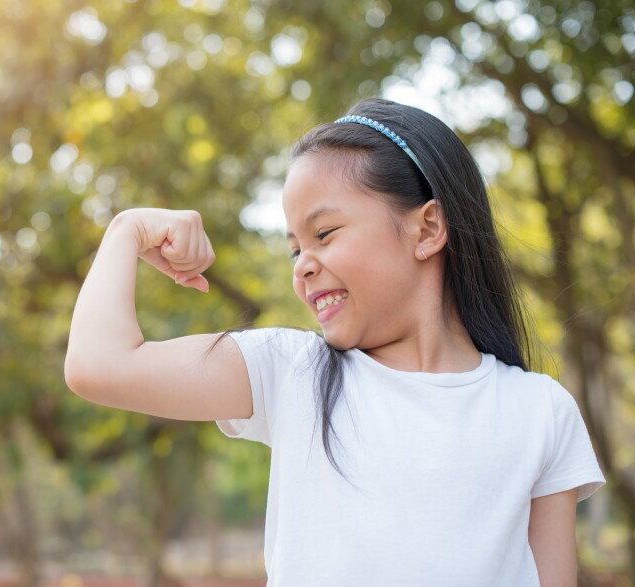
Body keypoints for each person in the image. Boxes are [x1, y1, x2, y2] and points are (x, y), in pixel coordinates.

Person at [64, 98, 606, 586]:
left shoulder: (540, 411)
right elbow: (98, 365)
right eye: (293, 248)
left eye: (323, 234)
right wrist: (127, 230)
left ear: (427, 229)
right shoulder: (291, 373)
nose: (302, 266)